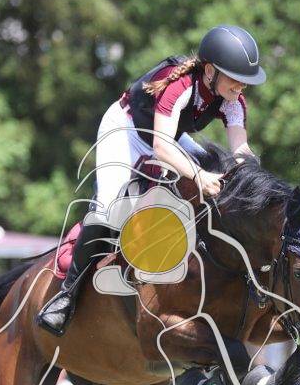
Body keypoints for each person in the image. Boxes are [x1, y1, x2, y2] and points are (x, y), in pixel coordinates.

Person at [37, 24, 267, 337]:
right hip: (127, 131)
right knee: (108, 209)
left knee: (216, 171)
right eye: (235, 78)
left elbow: (239, 149)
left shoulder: (232, 100)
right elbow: (161, 148)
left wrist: (251, 175)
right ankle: (66, 294)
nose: (242, 86)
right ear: (210, 71)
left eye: (245, 80)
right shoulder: (181, 86)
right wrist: (199, 175)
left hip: (170, 136)